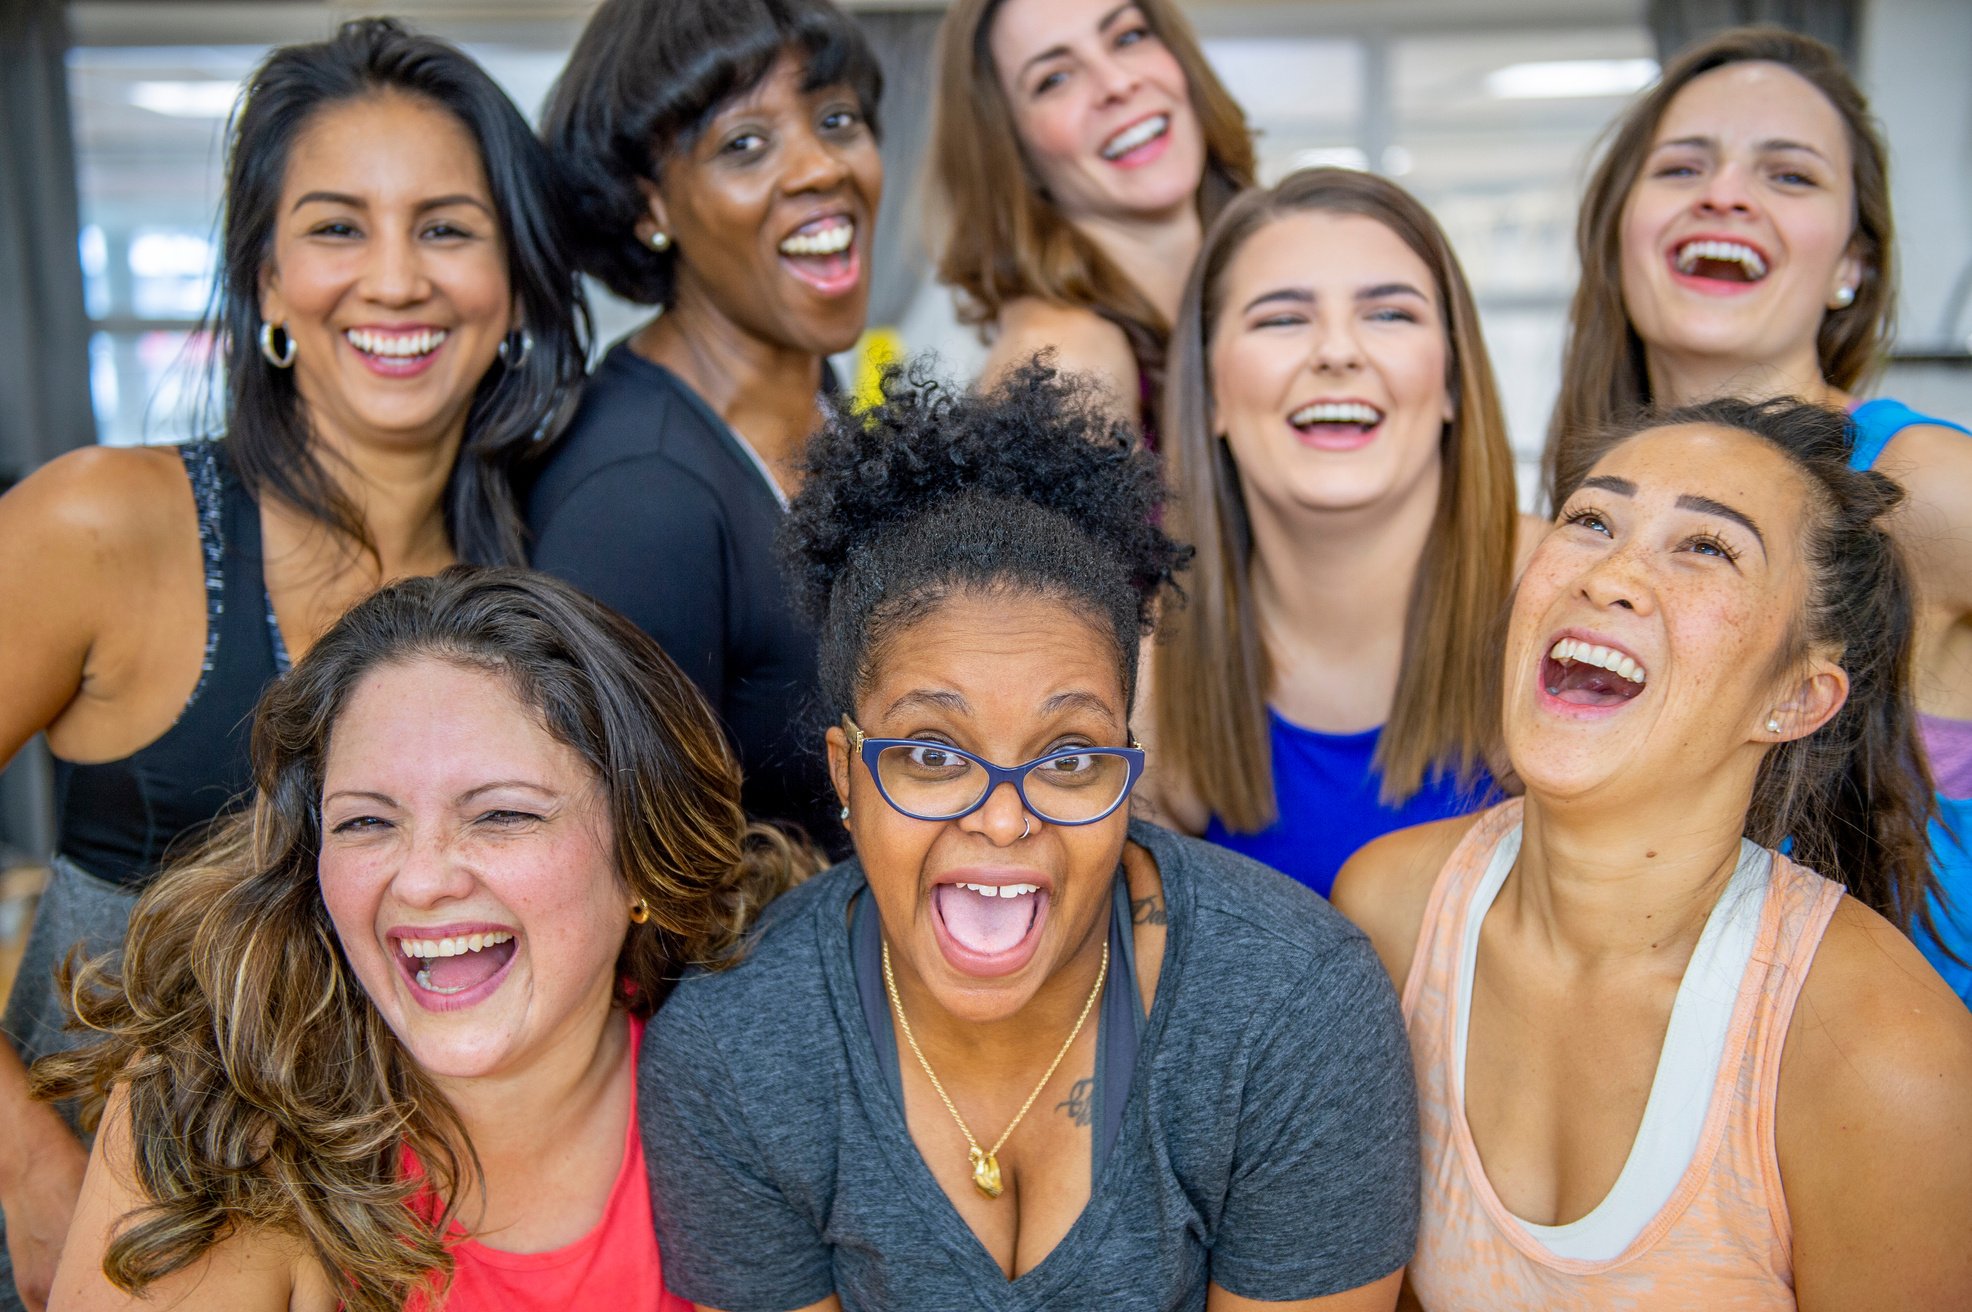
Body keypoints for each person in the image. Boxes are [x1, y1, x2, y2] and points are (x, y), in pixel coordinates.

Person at [0, 20, 586, 1310]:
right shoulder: (106, 522)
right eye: (335, 228)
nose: (395, 279)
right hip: (106, 1252)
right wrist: (29, 1169)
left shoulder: (545, 589)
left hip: (398, 1253)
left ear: (516, 283)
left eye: (446, 227)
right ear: (265, 280)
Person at [640, 361, 1419, 1311]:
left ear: (1127, 768)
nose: (1004, 819)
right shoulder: (736, 1051)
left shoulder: (1293, 1011)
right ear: (847, 774)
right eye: (932, 753)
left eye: (1067, 759)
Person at [1334, 398, 1972, 1308]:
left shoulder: (1887, 1060)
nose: (1611, 575)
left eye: (1708, 548)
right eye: (1591, 520)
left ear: (1795, 699)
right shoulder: (1389, 907)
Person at [35, 567, 798, 1312]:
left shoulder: (762, 1083)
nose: (422, 882)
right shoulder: (214, 1119)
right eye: (367, 822)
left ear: (642, 860)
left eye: (503, 814)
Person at [1544, 27, 1972, 1000]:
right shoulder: (1588, 501)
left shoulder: (1926, 486)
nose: (1724, 193)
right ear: (1619, 234)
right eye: (1683, 165)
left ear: (1849, 265)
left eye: (1788, 175)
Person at [529, 0, 883, 854]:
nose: (819, 167)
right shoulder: (639, 497)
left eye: (837, 119)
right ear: (650, 204)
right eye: (744, 144)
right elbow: (643, 881)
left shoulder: (822, 398)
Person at [1143, 168, 1531, 898]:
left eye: (1389, 315)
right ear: (1212, 391)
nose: (1338, 352)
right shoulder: (1143, 658)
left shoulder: (1569, 598)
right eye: (1282, 319)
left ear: (1450, 381)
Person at [929, 0, 1254, 437]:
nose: (1117, 83)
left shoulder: (1263, 285)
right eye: (1055, 80)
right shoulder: (1063, 365)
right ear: (1011, 155)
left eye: (1128, 37)